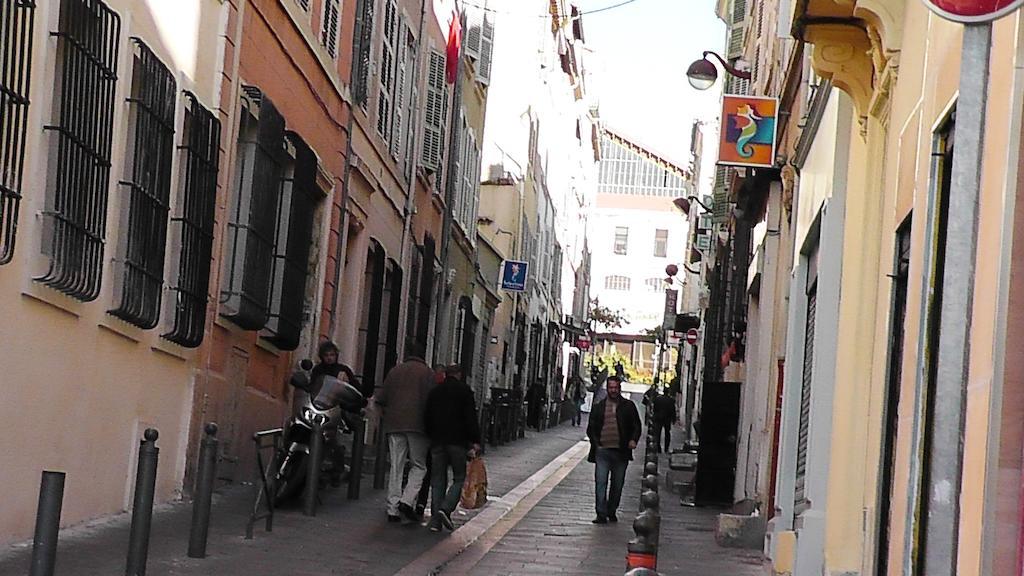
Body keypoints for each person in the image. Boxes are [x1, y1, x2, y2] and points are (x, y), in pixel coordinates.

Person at [376, 345, 436, 524]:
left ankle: (392, 508)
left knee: (396, 465)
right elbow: (432, 401)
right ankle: (407, 500)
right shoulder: (428, 374)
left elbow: (382, 398)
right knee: (419, 465)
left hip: (394, 424)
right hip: (418, 426)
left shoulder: (395, 371)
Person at [424, 364, 481, 532]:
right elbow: (470, 417)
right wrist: (475, 440)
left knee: (437, 480)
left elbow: (427, 416)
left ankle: (435, 521)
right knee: (459, 477)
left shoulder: (435, 392)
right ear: (458, 374)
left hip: (437, 441)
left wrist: (431, 435)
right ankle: (446, 508)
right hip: (457, 442)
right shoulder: (465, 392)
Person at [586, 375, 641, 524]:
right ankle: (601, 513)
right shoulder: (599, 407)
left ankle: (612, 510)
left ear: (620, 388)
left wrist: (633, 440)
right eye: (611, 388)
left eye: (616, 388)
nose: (613, 390)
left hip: (621, 452)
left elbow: (637, 426)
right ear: (607, 388)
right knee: (601, 482)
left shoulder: (628, 406)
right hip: (603, 451)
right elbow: (591, 428)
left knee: (617, 484)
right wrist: (596, 444)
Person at [415, 365, 447, 517]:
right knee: (436, 473)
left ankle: (420, 502)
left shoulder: (429, 390)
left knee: (424, 469)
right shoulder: (444, 391)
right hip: (439, 438)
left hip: (428, 435)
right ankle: (435, 507)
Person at [652, 389, 678, 454]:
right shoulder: (671, 400)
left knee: (658, 434)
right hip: (667, 419)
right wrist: (673, 419)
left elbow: (654, 409)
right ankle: (666, 448)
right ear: (668, 392)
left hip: (658, 418)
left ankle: (658, 448)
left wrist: (655, 416)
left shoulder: (658, 399)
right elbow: (673, 410)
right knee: (667, 433)